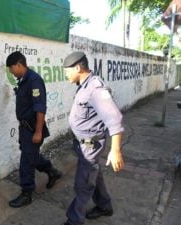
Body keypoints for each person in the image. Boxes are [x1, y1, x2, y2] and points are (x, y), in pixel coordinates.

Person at [61, 52, 124, 225]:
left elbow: (115, 119)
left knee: (83, 184)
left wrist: (115, 150)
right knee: (93, 176)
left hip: (90, 145)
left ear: (77, 68)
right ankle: (104, 206)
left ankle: (74, 220)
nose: (65, 75)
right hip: (83, 144)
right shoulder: (84, 85)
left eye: (67, 71)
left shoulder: (95, 88)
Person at [6, 51, 62, 208]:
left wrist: (38, 132)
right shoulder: (23, 80)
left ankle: (27, 193)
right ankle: (52, 172)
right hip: (25, 128)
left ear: (18, 65)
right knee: (32, 157)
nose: (11, 72)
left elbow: (40, 108)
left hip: (32, 129)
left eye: (11, 68)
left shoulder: (34, 80)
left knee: (26, 162)